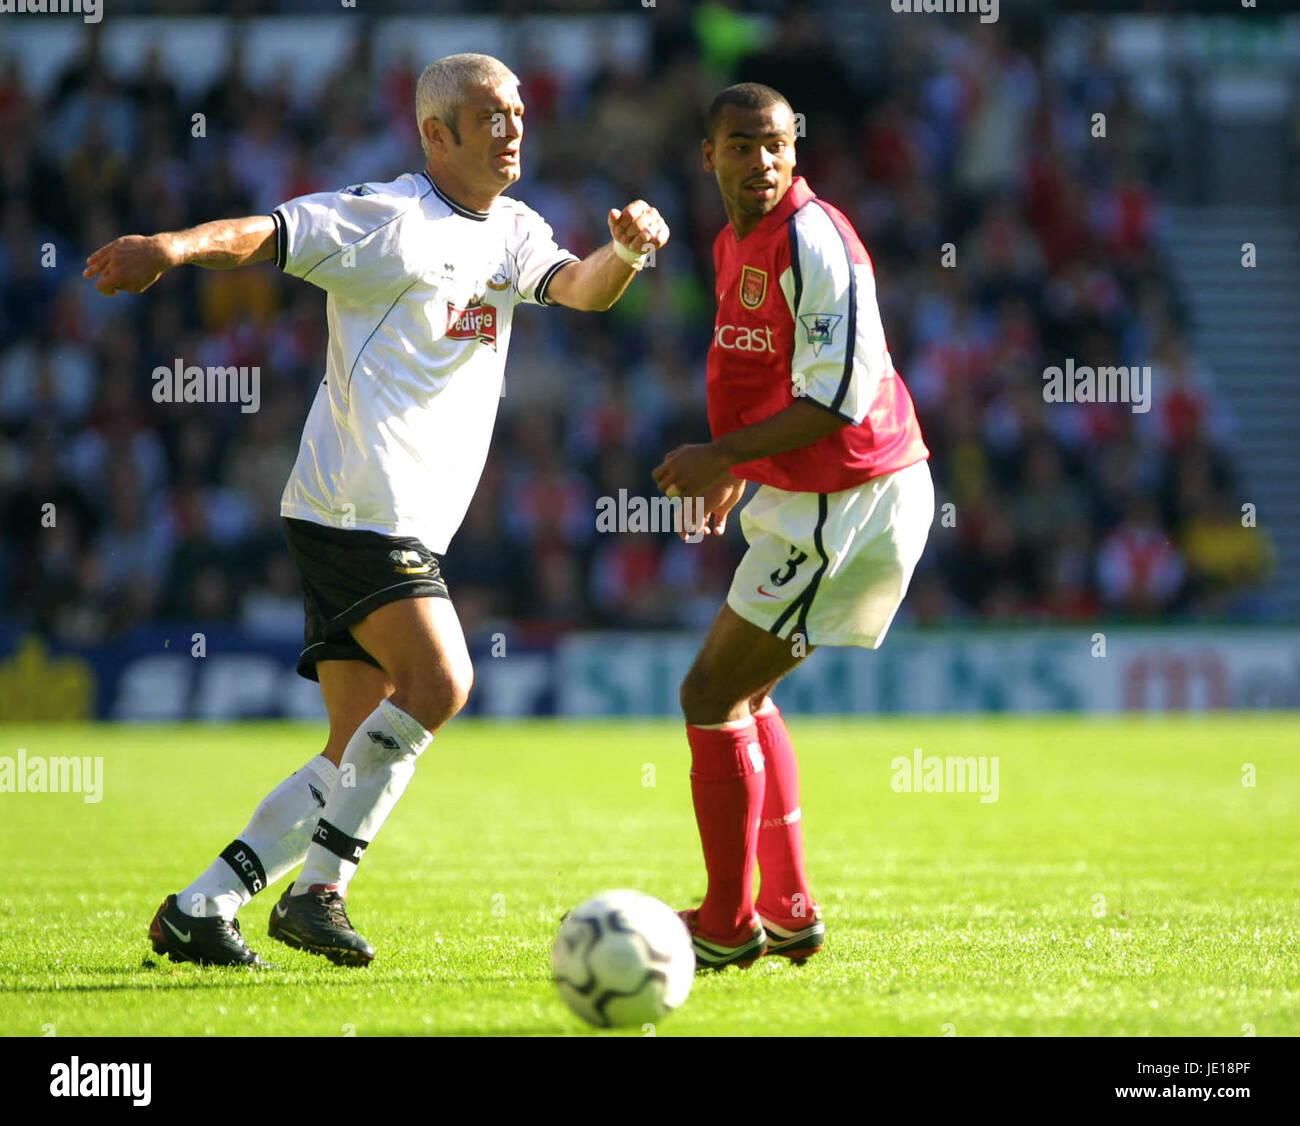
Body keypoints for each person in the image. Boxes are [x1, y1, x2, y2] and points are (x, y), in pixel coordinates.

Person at [85, 52, 669, 968]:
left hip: (389, 517)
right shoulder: (387, 218)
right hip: (356, 505)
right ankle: (319, 894)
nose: (513, 127)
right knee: (441, 685)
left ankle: (205, 906)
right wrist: (170, 247)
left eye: (518, 111)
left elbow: (585, 289)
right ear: (437, 135)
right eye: (489, 116)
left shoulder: (514, 230)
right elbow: (265, 231)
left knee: (352, 749)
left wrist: (628, 250)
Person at [651, 83, 932, 969]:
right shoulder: (736, 242)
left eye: (774, 146)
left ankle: (732, 927)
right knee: (743, 696)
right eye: (740, 146)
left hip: (852, 496)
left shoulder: (815, 239)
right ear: (710, 156)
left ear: (794, 151)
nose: (761, 162)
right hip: (813, 495)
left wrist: (725, 456)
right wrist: (745, 466)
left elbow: (839, 401)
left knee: (709, 695)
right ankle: (787, 908)